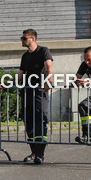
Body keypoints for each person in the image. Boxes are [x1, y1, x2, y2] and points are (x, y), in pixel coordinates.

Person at [17, 28, 53, 165]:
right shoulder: (25, 56)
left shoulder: (43, 51)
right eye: (22, 38)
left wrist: (48, 82)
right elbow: (20, 75)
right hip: (27, 92)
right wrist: (6, 84)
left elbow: (49, 68)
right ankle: (33, 152)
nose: (22, 40)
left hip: (39, 92)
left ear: (33, 39)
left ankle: (40, 154)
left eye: (24, 38)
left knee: (40, 121)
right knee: (28, 122)